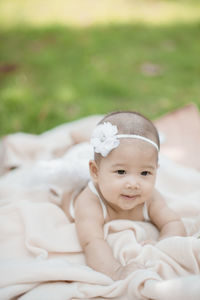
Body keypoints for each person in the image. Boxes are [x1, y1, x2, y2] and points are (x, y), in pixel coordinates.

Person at [67, 111, 186, 280]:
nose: (133, 183)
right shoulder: (89, 202)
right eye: (121, 171)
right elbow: (92, 242)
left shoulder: (150, 197)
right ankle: (78, 143)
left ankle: (85, 144)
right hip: (77, 185)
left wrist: (161, 248)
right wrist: (116, 271)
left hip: (106, 169)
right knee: (71, 158)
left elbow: (173, 222)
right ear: (95, 172)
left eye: (145, 173)